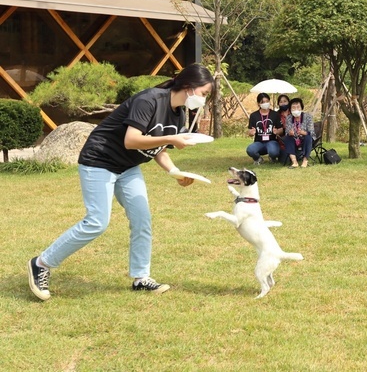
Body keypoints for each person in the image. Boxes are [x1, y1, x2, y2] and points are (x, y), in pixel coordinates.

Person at [27, 63, 214, 301]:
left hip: (127, 167)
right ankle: (41, 263)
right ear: (189, 87)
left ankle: (141, 278)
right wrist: (172, 138)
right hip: (99, 161)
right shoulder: (149, 100)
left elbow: (158, 149)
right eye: (204, 94)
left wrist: (175, 172)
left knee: (142, 219)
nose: (203, 100)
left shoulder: (178, 116)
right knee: (97, 222)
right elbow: (131, 140)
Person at [246, 93, 283, 165]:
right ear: (258, 104)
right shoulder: (254, 115)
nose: (265, 103)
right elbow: (250, 131)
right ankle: (258, 158)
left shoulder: (275, 114)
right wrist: (251, 133)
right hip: (259, 142)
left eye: (267, 101)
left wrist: (277, 131)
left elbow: (281, 129)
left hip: (271, 141)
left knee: (273, 151)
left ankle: (272, 157)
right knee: (250, 150)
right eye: (262, 102)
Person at [285, 97, 315, 168]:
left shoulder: (308, 117)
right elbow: (286, 132)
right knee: (288, 138)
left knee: (308, 137)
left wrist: (304, 133)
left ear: (301, 108)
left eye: (298, 107)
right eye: (293, 108)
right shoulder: (289, 118)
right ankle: (294, 162)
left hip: (305, 138)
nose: (296, 110)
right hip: (294, 139)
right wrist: (290, 133)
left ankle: (305, 160)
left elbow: (311, 132)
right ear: (290, 109)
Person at [276, 94, 291, 163]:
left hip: (293, 137)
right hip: (281, 140)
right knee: (284, 161)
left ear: (289, 102)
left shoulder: (293, 113)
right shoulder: (276, 115)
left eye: (285, 101)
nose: (283, 103)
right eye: (281, 102)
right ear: (278, 104)